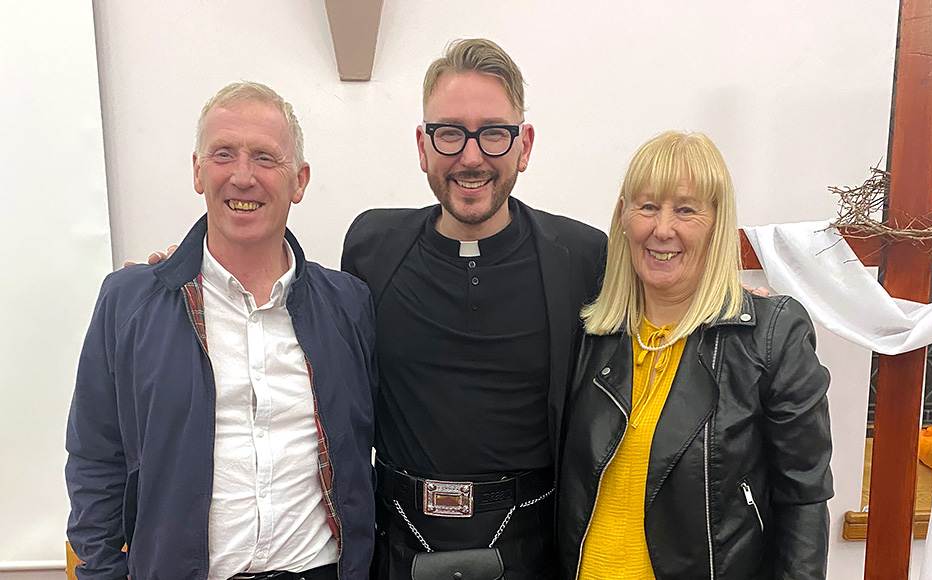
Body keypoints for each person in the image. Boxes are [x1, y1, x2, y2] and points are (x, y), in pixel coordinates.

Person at [65, 82, 377, 580]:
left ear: (299, 180)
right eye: (223, 154)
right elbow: (95, 459)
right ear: (197, 170)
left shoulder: (347, 306)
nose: (242, 176)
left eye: (265, 158)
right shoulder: (131, 303)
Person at [341, 39, 607, 579]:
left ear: (523, 145)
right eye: (449, 133)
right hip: (397, 542)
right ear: (422, 145)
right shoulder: (372, 247)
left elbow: (658, 324)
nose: (470, 156)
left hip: (532, 544)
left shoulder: (582, 257)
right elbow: (310, 324)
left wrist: (742, 309)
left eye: (493, 132)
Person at [556, 131, 834, 579]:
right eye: (647, 206)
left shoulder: (769, 337)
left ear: (716, 223)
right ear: (624, 217)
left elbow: (804, 501)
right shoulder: (591, 332)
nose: (662, 228)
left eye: (686, 209)